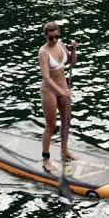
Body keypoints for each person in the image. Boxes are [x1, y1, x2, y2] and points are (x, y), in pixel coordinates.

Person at [39, 21, 78, 166]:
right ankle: (45, 159)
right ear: (45, 36)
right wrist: (61, 91)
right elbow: (46, 77)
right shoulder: (43, 52)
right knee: (51, 125)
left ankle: (64, 150)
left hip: (63, 87)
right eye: (51, 38)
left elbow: (72, 63)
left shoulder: (60, 44)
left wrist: (74, 50)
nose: (54, 40)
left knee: (66, 120)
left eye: (56, 36)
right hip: (49, 90)